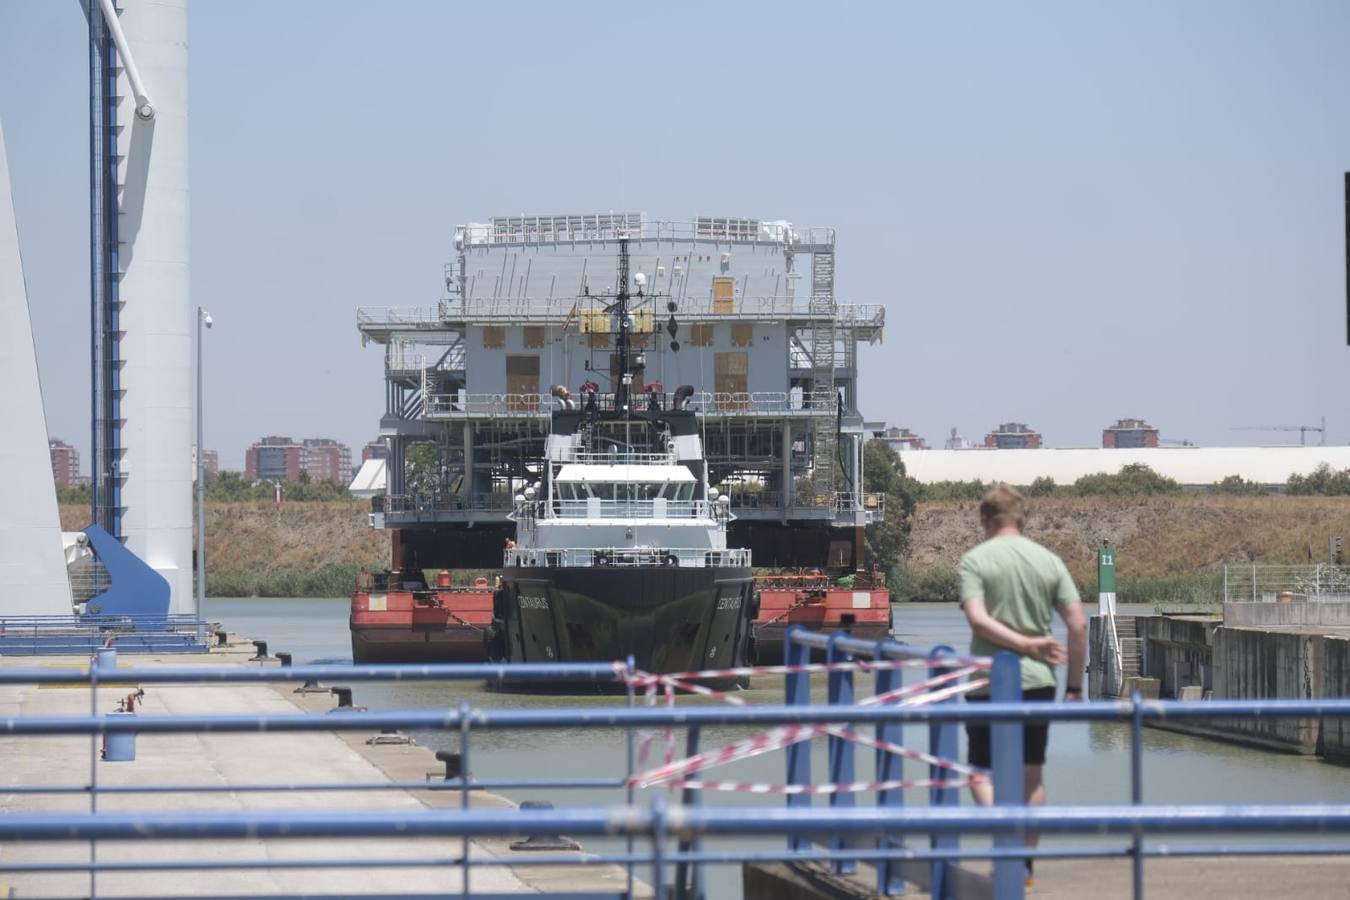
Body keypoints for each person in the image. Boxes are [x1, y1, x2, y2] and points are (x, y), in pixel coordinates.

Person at [958, 483, 1087, 887]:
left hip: (987, 682)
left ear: (985, 520)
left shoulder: (975, 561)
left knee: (979, 774)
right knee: (1032, 776)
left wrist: (1018, 643)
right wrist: (1074, 687)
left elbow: (978, 620)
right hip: (1037, 683)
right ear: (1022, 519)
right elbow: (1078, 625)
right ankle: (1025, 864)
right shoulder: (1048, 561)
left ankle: (1006, 844)